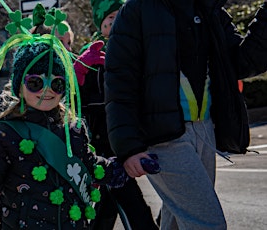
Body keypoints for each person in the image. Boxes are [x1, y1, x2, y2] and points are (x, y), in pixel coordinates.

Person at [0, 4, 159, 229]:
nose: (47, 90)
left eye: (56, 83)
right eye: (35, 82)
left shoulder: (73, 127)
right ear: (18, 85)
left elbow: (92, 166)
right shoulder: (3, 133)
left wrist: (124, 166)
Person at [104, 0, 267, 229]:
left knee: (177, 223)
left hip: (205, 131)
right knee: (207, 223)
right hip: (163, 139)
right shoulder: (137, 10)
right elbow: (120, 82)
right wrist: (129, 148)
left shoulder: (208, 8)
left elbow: (241, 63)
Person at [73, 0, 158, 229]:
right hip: (104, 144)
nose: (114, 20)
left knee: (106, 208)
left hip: (132, 138)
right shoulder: (91, 53)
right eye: (108, 18)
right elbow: (77, 100)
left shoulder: (138, 46)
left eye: (118, 14)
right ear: (100, 25)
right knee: (132, 206)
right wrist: (81, 73)